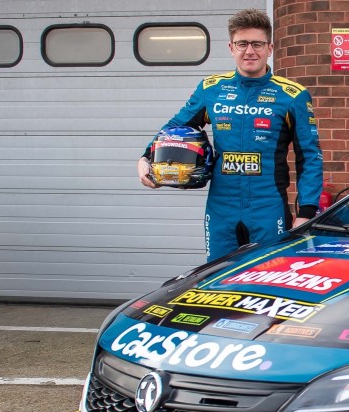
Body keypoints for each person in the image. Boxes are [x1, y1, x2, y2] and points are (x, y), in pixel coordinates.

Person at [137, 8, 323, 261]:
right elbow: (175, 127)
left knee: (268, 279)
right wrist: (147, 156)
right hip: (221, 207)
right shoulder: (211, 89)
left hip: (268, 207)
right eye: (242, 43)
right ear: (231, 47)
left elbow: (310, 157)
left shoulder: (293, 95)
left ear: (270, 48)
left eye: (257, 44)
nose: (249, 51)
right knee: (217, 278)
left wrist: (307, 212)